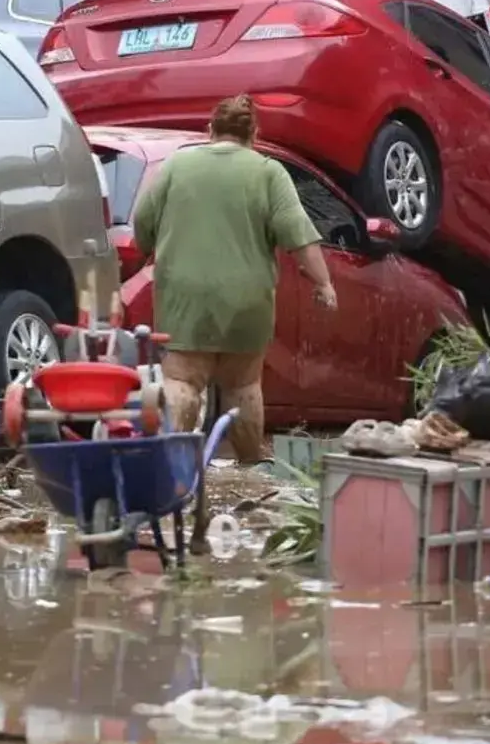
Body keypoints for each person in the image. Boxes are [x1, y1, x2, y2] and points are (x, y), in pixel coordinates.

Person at [130, 95, 336, 469]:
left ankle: (175, 475)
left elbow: (142, 226)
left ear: (209, 131)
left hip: (184, 299)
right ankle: (250, 469)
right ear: (254, 135)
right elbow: (299, 236)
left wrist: (146, 251)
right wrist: (324, 284)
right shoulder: (268, 172)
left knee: (182, 382)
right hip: (247, 301)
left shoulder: (177, 165)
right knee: (242, 386)